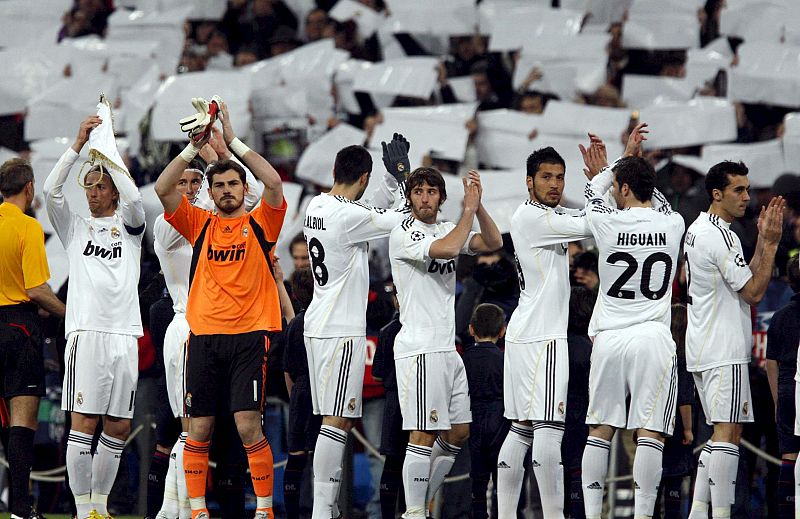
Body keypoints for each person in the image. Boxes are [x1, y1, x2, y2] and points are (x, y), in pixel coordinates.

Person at [154, 100, 285, 519]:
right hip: (204, 338)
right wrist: (193, 148)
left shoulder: (262, 222)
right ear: (211, 193)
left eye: (234, 185)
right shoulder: (200, 224)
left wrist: (231, 141)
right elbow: (162, 188)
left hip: (248, 337)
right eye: (220, 186)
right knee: (199, 429)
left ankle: (264, 510)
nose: (227, 191)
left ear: (243, 190)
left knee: (248, 427)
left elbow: (275, 180)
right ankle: (197, 511)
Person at [580, 123, 685, 519]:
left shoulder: (608, 222)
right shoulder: (672, 224)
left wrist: (621, 160)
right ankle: (642, 515)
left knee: (600, 430)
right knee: (650, 433)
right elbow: (655, 198)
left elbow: (594, 189)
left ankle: (593, 514)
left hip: (610, 337)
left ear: (622, 189)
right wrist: (634, 167)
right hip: (653, 338)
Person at [302, 135, 411, 519]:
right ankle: (322, 512)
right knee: (338, 420)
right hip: (340, 329)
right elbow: (403, 217)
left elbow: (366, 207)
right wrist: (403, 177)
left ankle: (325, 510)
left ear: (334, 172)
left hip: (317, 324)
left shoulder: (316, 204)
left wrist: (386, 179)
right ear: (363, 177)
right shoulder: (348, 218)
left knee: (335, 420)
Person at [43, 115, 146, 519]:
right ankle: (83, 507)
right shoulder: (75, 228)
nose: (91, 193)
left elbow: (136, 200)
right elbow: (52, 191)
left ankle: (99, 507)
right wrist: (78, 145)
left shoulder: (131, 229)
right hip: (86, 333)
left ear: (113, 190)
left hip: (124, 335)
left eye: (100, 186)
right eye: (88, 187)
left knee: (118, 426)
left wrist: (110, 156)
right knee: (83, 421)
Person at [389, 167, 503, 518]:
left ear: (441, 197)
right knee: (423, 433)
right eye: (419, 191)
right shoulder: (403, 232)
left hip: (445, 347)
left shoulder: (444, 227)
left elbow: (494, 242)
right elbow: (450, 247)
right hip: (420, 346)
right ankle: (413, 512)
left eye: (432, 191)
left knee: (458, 432)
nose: (425, 198)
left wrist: (479, 207)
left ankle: (418, 504)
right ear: (409, 197)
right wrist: (466, 212)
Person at [497, 146, 594, 519]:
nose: (555, 185)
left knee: (521, 428)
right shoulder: (537, 218)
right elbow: (591, 224)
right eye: (546, 177)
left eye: (559, 177)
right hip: (543, 337)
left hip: (525, 332)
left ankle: (506, 514)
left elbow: (581, 218)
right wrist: (599, 180)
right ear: (529, 181)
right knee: (550, 430)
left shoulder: (538, 215)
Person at [684, 160, 785, 519]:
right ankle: (721, 514)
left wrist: (759, 240)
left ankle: (698, 511)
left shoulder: (701, 227)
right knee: (729, 434)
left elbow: (744, 278)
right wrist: (771, 242)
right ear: (717, 194)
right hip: (723, 348)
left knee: (717, 436)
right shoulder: (720, 236)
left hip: (704, 346)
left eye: (746, 188)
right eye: (738, 190)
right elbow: (755, 292)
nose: (746, 196)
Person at [0, 158, 66, 519]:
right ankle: (22, 509)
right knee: (22, 421)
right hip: (18, 326)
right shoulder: (27, 228)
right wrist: (71, 313)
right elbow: (37, 290)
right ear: (29, 189)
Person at [282, 268, 322, 519]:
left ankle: (293, 514)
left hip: (300, 391)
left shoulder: (296, 324)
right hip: (322, 391)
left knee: (296, 456)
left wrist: (293, 397)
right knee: (324, 457)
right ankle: (325, 510)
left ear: (295, 295)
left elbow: (287, 370)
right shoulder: (325, 320)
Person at [463, 304, 508, 519]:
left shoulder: (463, 360)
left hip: (472, 423)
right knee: (505, 482)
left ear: (471, 329)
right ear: (503, 331)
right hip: (501, 424)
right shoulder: (506, 360)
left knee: (477, 483)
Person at [766, 256, 800, 518]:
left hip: (788, 388)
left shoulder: (779, 317)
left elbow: (771, 363)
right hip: (794, 385)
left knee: (789, 454)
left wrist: (778, 398)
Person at [371, 285, 407, 519]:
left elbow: (378, 373)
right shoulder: (427, 328)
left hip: (394, 401)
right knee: (418, 457)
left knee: (393, 461)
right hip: (408, 399)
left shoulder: (388, 331)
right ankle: (414, 512)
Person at [563, 286, 595, 519]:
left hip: (556, 414)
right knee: (578, 468)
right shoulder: (591, 349)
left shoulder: (556, 345)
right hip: (582, 413)